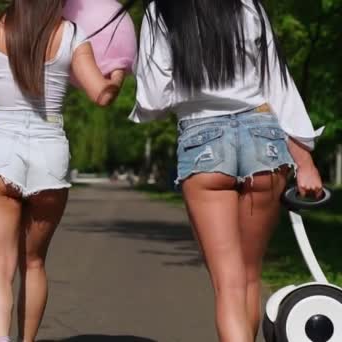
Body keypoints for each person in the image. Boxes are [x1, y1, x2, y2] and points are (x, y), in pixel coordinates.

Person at [117, 0, 324, 340]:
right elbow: (279, 86)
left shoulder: (163, 10)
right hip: (264, 138)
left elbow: (154, 101)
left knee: (228, 284)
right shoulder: (248, 5)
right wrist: (306, 163)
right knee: (249, 276)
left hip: (204, 142)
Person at [0, 1, 125, 341]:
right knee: (34, 263)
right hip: (49, 153)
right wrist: (118, 74)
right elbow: (101, 95)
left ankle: (1, 338)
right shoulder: (70, 33)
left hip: (0, 151)